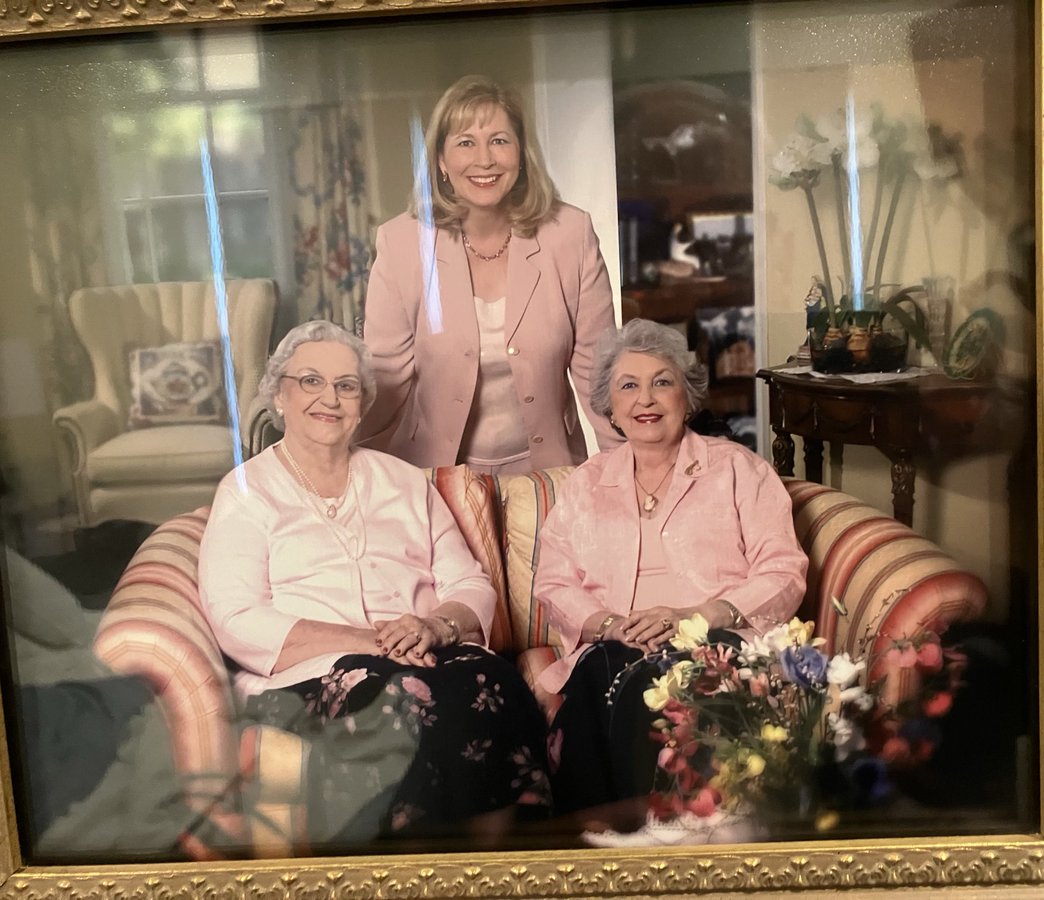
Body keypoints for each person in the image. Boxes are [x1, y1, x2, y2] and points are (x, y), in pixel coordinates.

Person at [198, 321, 549, 850]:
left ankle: (491, 869)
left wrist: (434, 624)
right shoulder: (247, 492)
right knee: (410, 699)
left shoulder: (405, 482)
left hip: (425, 654)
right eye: (311, 381)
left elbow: (470, 583)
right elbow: (235, 617)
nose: (329, 399)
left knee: (493, 678)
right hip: (311, 673)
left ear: (362, 403)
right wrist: (366, 641)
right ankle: (411, 874)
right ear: (279, 394)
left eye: (346, 386)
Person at [532, 319, 809, 818]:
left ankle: (663, 850)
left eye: (662, 382)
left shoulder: (738, 470)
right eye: (629, 386)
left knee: (664, 684)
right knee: (599, 678)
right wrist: (613, 624)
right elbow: (553, 582)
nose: (646, 400)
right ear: (610, 407)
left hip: (714, 640)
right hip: (612, 645)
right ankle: (601, 856)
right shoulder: (585, 484)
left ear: (687, 396)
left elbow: (783, 572)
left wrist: (696, 615)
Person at [359, 75, 619, 475]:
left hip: (549, 474)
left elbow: (597, 372)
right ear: (442, 161)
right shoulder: (402, 244)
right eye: (466, 143)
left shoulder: (571, 234)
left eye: (499, 140)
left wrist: (632, 469)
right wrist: (343, 467)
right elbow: (385, 377)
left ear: (520, 153)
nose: (485, 160)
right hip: (433, 476)